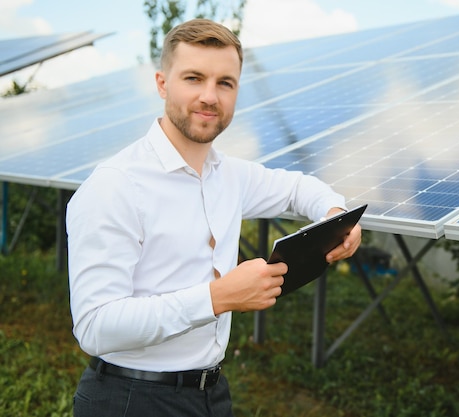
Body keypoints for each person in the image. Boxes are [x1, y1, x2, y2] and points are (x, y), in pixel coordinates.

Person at [66, 18, 361, 417]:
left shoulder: (229, 175)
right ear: (161, 83)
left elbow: (297, 188)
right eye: (193, 78)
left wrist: (337, 216)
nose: (210, 96)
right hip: (129, 398)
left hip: (211, 395)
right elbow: (95, 326)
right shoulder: (115, 186)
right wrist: (218, 297)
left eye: (225, 83)